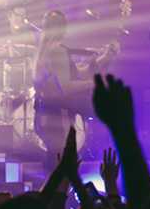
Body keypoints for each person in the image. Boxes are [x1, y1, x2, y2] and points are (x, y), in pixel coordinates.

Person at [31, 9, 119, 159]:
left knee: (57, 166)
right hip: (58, 117)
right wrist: (93, 83)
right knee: (63, 166)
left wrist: (106, 56)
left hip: (47, 116)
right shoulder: (57, 51)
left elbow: (79, 73)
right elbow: (66, 87)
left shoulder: (47, 50)